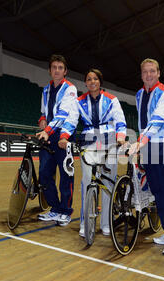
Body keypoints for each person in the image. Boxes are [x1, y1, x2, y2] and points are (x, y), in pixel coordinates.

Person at [59, 68, 127, 237]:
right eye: (88, 79)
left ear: (100, 82)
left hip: (109, 142)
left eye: (95, 79)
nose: (92, 82)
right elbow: (71, 121)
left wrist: (120, 137)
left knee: (108, 183)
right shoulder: (79, 101)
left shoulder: (112, 99)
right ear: (86, 82)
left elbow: (120, 120)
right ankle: (85, 223)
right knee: (87, 181)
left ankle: (106, 223)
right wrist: (63, 136)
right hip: (88, 142)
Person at [128, 58, 164, 257]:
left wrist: (139, 142)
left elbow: (158, 120)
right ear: (141, 74)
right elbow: (143, 123)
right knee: (157, 194)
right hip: (148, 148)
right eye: (145, 71)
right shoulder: (139, 94)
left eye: (152, 71)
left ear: (158, 73)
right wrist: (142, 146)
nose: (149, 75)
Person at [36, 54, 78, 227]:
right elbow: (44, 112)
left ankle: (66, 211)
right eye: (54, 67)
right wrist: (42, 120)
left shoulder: (70, 89)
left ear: (65, 71)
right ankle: (55, 208)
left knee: (65, 176)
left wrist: (47, 130)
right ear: (49, 70)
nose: (57, 70)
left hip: (63, 136)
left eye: (60, 68)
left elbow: (63, 114)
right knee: (45, 174)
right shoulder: (45, 90)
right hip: (48, 136)